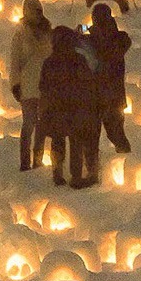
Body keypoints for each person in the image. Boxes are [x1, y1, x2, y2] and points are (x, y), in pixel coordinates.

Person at [38, 25, 99, 187]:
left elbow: (43, 85)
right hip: (75, 107)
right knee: (76, 142)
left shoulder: (49, 62)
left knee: (58, 140)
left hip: (56, 107)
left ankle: (57, 172)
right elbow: (88, 82)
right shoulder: (78, 60)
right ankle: (76, 176)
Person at [10, 0, 53, 171]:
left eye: (39, 10)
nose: (38, 13)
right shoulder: (21, 35)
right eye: (34, 10)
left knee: (42, 124)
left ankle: (38, 160)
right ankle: (25, 162)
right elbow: (15, 62)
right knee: (29, 124)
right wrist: (15, 84)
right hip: (28, 86)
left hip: (45, 85)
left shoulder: (48, 33)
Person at [89, 2, 132, 154]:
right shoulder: (119, 37)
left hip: (104, 96)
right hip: (110, 96)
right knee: (114, 133)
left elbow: (106, 53)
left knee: (111, 133)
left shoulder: (107, 39)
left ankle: (95, 168)